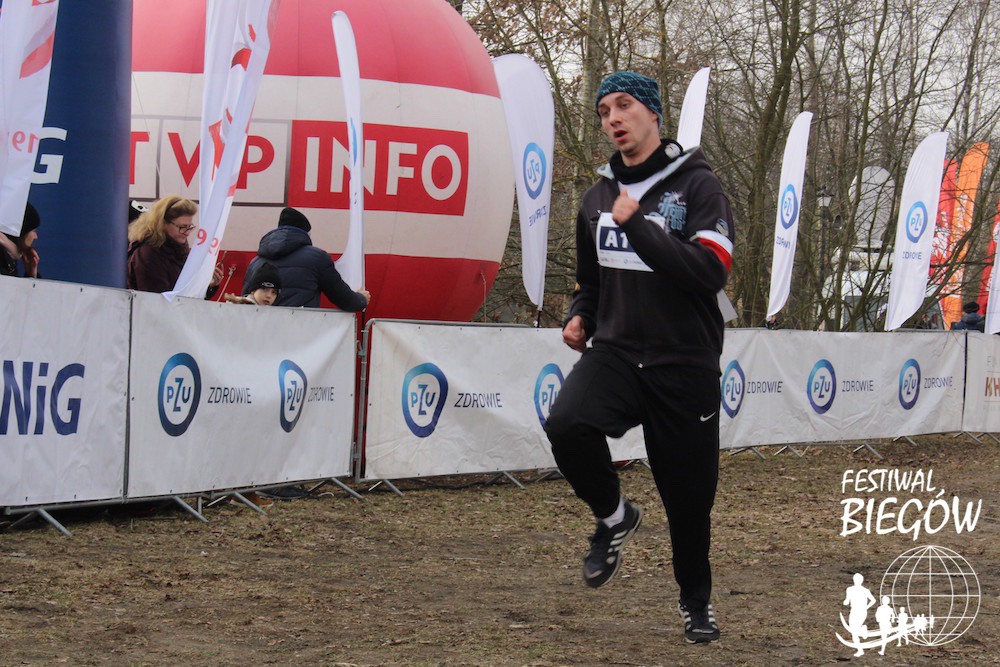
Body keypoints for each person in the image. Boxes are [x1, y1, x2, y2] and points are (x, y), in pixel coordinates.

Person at [543, 71, 735, 644]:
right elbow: (591, 282)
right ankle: (614, 516)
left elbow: (711, 272)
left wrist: (642, 229)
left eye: (624, 105)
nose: (613, 119)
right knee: (567, 423)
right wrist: (581, 315)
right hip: (620, 353)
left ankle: (695, 602)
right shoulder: (597, 197)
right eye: (604, 111)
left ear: (653, 113)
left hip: (685, 363)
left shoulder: (699, 186)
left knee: (687, 501)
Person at [244, 207, 370, 310]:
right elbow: (343, 298)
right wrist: (361, 299)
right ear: (305, 234)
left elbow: (245, 301)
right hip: (300, 329)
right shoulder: (317, 258)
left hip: (262, 330)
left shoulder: (256, 262)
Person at [126, 195, 223, 295]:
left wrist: (207, 286)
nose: (187, 232)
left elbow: (183, 294)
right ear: (163, 224)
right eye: (182, 227)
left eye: (190, 227)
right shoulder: (147, 255)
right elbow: (158, 300)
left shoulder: (176, 249)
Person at [1, 203, 41, 278]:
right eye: (34, 231)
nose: (36, 237)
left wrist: (31, 276)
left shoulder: (10, 261)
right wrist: (12, 248)